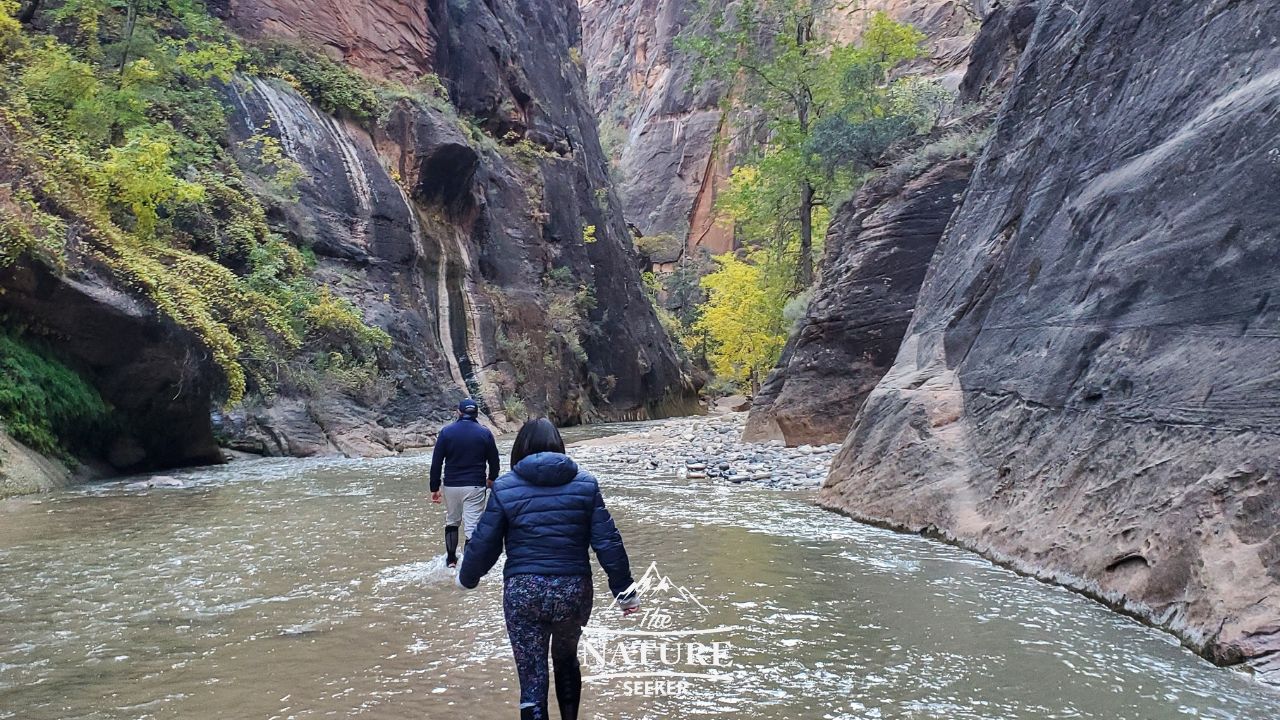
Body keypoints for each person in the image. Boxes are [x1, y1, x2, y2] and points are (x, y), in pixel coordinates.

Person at [457, 418, 639, 720]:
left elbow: (485, 542)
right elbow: (608, 541)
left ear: (519, 449)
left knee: (532, 677)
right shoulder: (585, 484)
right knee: (567, 661)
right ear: (560, 446)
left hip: (523, 593)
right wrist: (625, 592)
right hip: (573, 591)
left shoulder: (504, 487)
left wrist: (467, 578)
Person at [430, 398, 500, 568]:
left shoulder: (446, 432)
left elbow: (437, 462)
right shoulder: (485, 433)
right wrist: (492, 479)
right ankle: (469, 565)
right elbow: (494, 460)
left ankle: (451, 560)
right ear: (476, 414)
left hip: (451, 485)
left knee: (452, 520)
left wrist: (434, 487)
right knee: (472, 527)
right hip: (475, 485)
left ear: (459, 413)